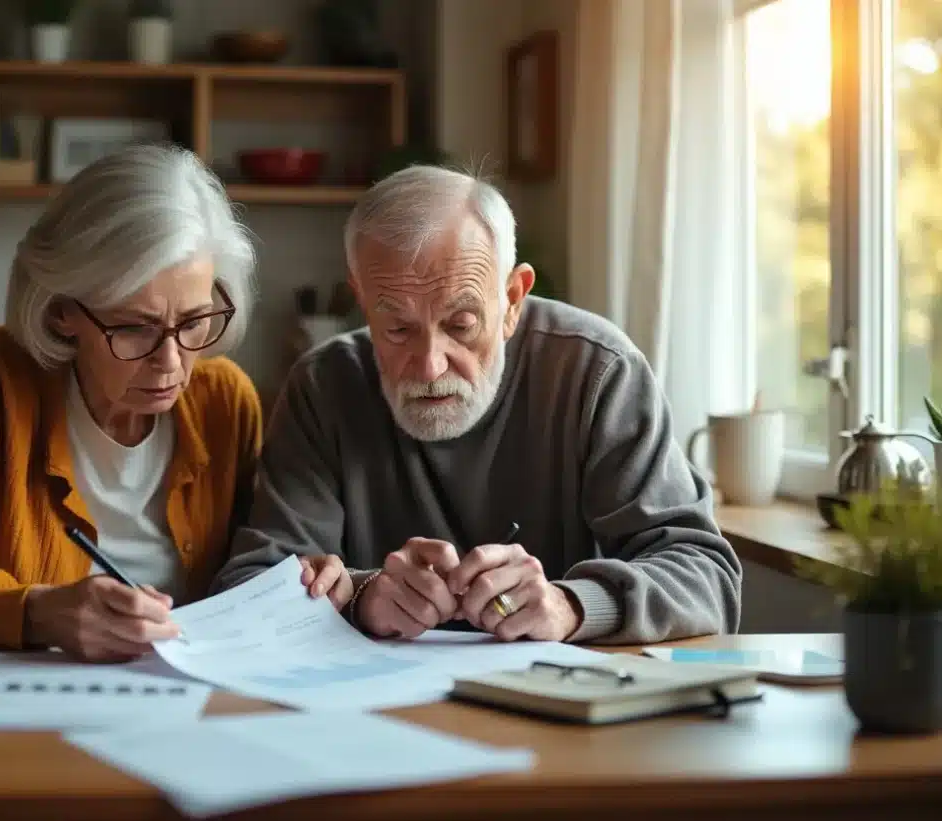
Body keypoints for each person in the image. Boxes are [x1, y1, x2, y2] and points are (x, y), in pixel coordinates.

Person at [213, 164, 741, 645]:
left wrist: (571, 604)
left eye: (461, 325)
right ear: (362, 301)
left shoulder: (597, 372)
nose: (429, 366)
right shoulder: (324, 385)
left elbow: (706, 576)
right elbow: (251, 586)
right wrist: (361, 596)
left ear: (512, 299)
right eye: (397, 328)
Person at [0, 144, 262, 662]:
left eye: (193, 322)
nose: (170, 362)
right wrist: (31, 613)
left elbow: (260, 577)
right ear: (61, 313)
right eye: (133, 328)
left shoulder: (225, 403)